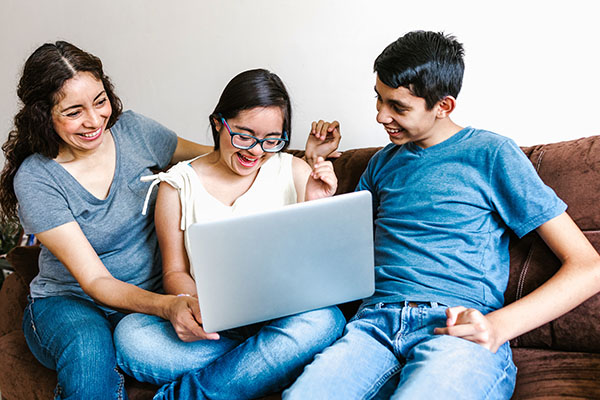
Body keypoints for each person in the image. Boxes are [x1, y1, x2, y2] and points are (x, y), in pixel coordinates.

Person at [0, 42, 338, 400]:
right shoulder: (37, 179)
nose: (95, 120)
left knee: (323, 321)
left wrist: (301, 160)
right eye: (73, 112)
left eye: (100, 101)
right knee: (93, 353)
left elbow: (215, 157)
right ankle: (270, 357)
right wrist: (170, 305)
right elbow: (97, 281)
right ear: (43, 115)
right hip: (76, 302)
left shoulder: (134, 132)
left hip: (149, 308)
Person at [283, 31, 600, 400]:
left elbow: (588, 266)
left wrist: (496, 327)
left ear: (444, 106)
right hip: (372, 327)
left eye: (398, 107)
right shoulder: (382, 164)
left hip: (455, 327)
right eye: (378, 99)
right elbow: (331, 264)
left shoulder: (492, 153)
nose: (380, 116)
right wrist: (315, 185)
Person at [114, 68, 346, 400]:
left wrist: (316, 202)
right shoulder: (177, 185)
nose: (255, 150)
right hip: (216, 330)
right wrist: (198, 306)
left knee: (325, 321)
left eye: (271, 139)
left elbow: (323, 273)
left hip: (282, 319)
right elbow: (174, 272)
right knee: (131, 338)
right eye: (244, 135)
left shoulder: (295, 171)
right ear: (218, 123)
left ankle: (192, 393)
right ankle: (267, 365)